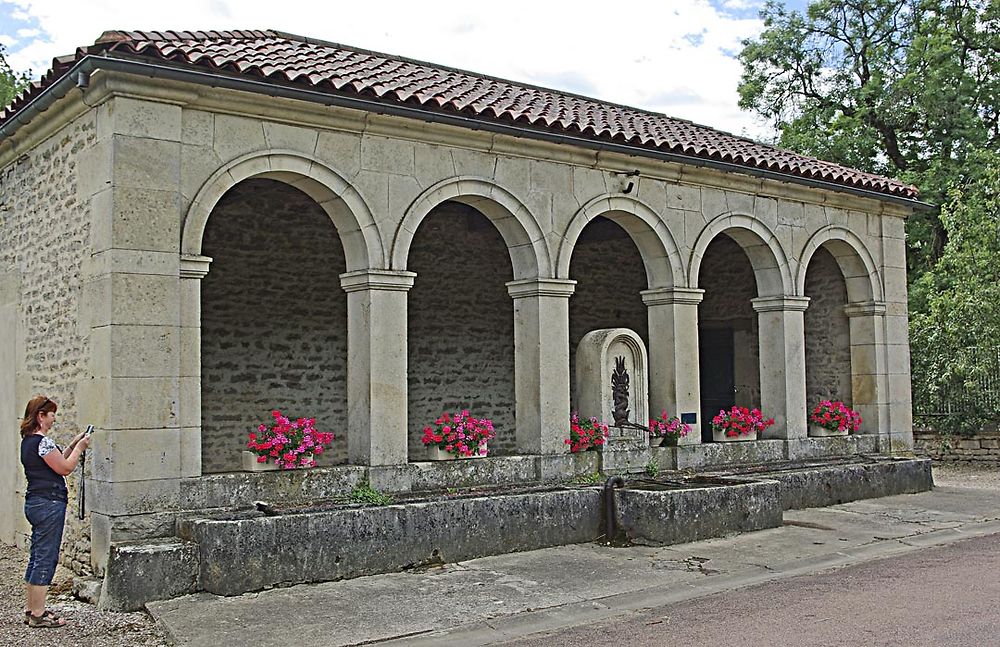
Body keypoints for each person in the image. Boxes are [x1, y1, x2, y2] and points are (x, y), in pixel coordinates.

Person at [19, 395, 90, 629]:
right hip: (49, 504)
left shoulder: (28, 442)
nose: (54, 419)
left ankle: (32, 608)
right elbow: (65, 467)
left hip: (35, 502)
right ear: (40, 416)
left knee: (37, 555)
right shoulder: (43, 442)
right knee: (46, 558)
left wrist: (73, 442)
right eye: (51, 414)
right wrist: (80, 448)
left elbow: (57, 458)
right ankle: (38, 613)